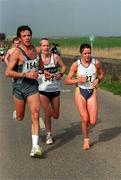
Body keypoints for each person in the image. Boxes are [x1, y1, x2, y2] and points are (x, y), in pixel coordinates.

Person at [5, 25, 43, 158]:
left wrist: (43, 73)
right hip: (19, 87)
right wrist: (25, 74)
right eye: (24, 36)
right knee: (20, 117)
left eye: (29, 35)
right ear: (20, 38)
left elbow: (41, 66)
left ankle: (35, 147)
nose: (27, 38)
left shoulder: (37, 50)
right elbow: (7, 72)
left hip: (32, 87)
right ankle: (18, 112)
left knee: (35, 114)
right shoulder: (17, 52)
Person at [64, 43, 105, 150]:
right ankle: (86, 140)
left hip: (92, 92)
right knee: (85, 118)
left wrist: (98, 80)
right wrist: (78, 80)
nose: (87, 55)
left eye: (89, 53)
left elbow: (102, 73)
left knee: (93, 121)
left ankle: (86, 129)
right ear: (81, 54)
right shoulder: (76, 65)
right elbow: (67, 81)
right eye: (85, 53)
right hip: (80, 92)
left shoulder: (96, 63)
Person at [37, 38, 66, 145]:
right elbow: (31, 70)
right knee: (48, 113)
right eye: (43, 45)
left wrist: (61, 74)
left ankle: (49, 123)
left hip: (55, 90)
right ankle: (49, 135)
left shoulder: (55, 57)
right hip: (42, 90)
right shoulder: (37, 59)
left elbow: (63, 66)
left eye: (47, 45)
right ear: (40, 47)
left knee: (56, 115)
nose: (46, 47)